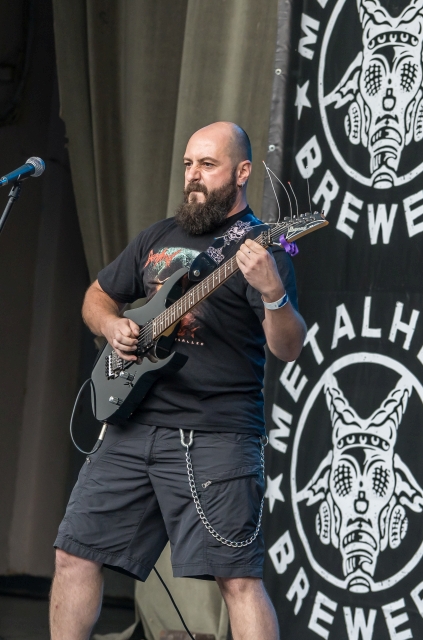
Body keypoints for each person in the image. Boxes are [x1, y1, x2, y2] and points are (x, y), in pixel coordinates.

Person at [50, 122, 306, 640]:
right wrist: (111, 325)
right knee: (74, 554)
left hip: (214, 436)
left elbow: (288, 347)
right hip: (130, 428)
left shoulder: (263, 248)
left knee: (238, 579)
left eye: (207, 165)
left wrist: (273, 293)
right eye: (189, 164)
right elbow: (98, 295)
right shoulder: (157, 236)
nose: (193, 175)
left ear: (241, 172)